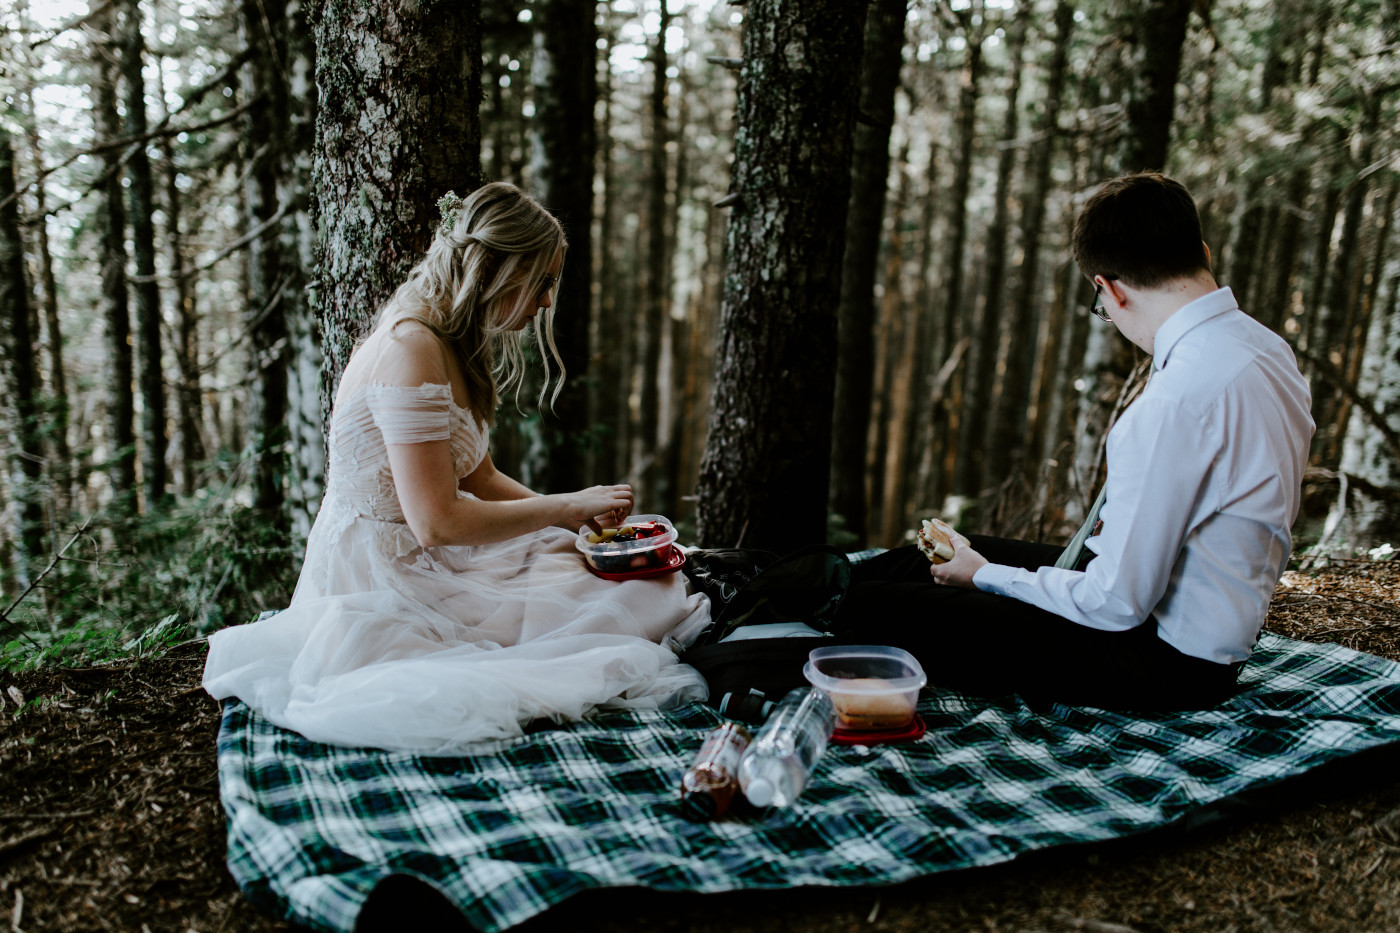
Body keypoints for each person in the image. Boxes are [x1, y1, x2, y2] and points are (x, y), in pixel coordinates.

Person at [202, 183, 709, 751]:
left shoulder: (450, 340)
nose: (545, 303)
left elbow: (481, 478)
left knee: (623, 578)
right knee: (615, 613)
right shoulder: (411, 349)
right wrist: (564, 508)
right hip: (386, 573)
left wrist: (571, 523)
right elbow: (436, 522)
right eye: (541, 283)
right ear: (498, 269)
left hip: (441, 553)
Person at [838, 172, 1314, 710]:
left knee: (875, 608)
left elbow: (1115, 604)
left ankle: (758, 611)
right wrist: (988, 570)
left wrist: (988, 578)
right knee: (913, 565)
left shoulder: (1172, 403)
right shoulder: (1269, 350)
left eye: (1102, 306)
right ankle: (793, 581)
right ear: (1201, 251)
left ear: (1108, 287)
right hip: (1196, 621)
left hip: (1164, 662)